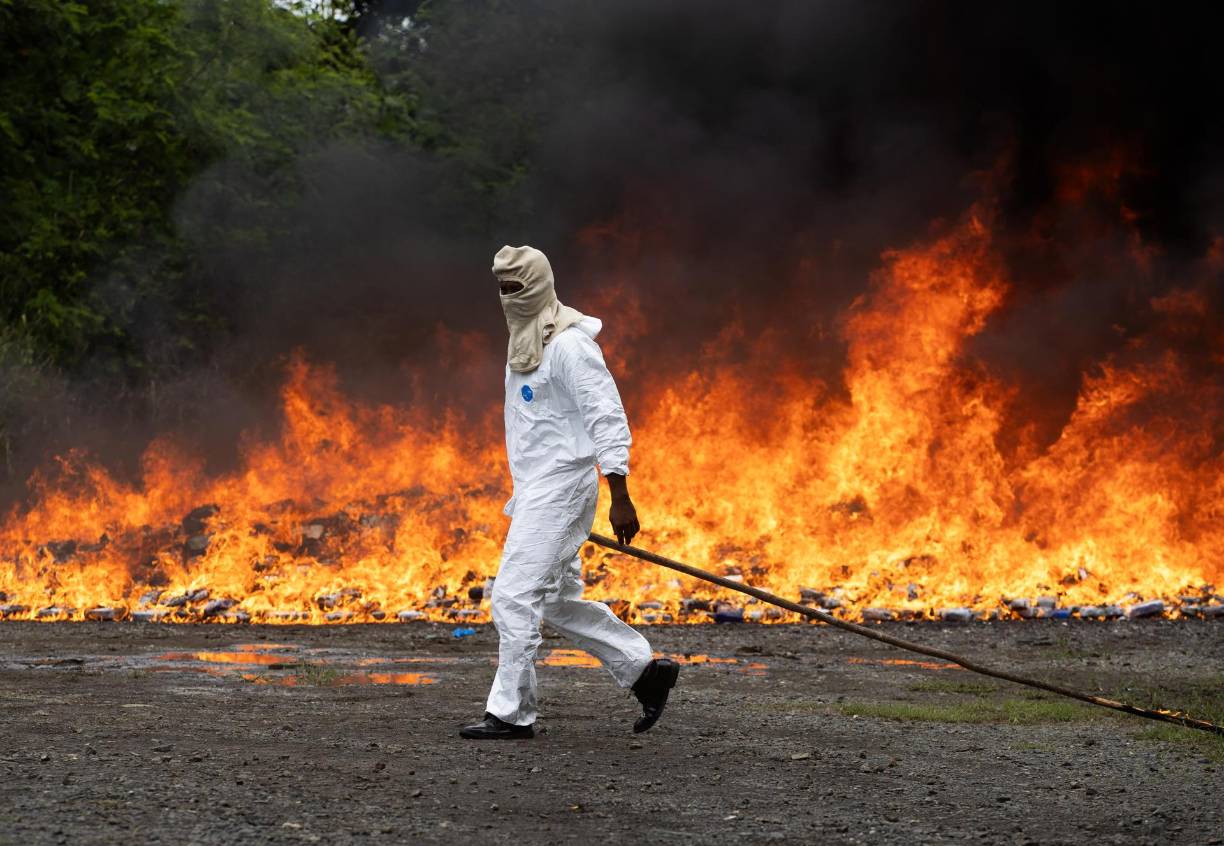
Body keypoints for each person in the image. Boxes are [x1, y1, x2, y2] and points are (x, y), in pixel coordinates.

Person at [460, 245, 679, 740]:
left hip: (563, 488)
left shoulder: (570, 345)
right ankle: (644, 669)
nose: (508, 297)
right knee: (554, 602)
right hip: (537, 489)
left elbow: (606, 414)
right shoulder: (524, 342)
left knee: (513, 596)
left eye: (517, 287)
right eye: (502, 288)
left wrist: (619, 491)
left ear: (541, 285)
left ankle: (510, 714)